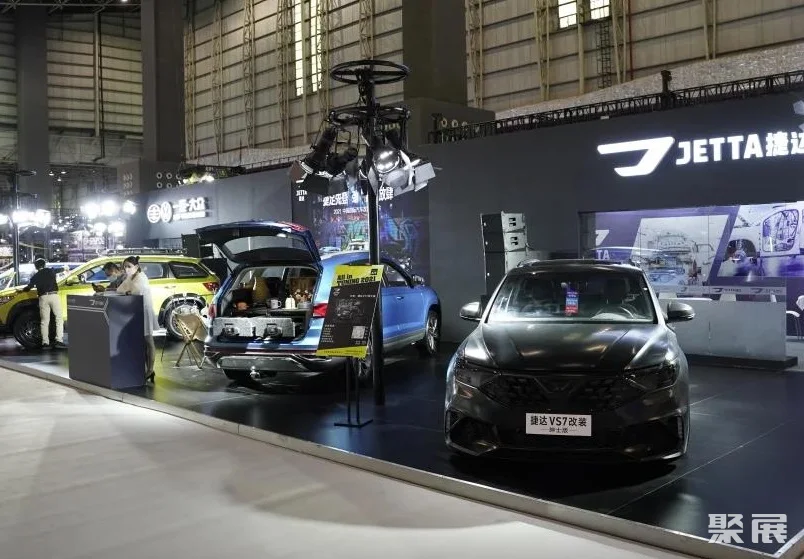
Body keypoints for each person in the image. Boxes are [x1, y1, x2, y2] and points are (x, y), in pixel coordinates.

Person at [115, 256, 158, 383]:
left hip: (144, 311)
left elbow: (137, 292)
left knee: (149, 340)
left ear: (137, 267)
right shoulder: (130, 278)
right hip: (136, 312)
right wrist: (127, 291)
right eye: (125, 267)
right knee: (142, 341)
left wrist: (128, 291)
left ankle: (150, 370)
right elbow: (120, 289)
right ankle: (145, 369)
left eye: (129, 266)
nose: (126, 269)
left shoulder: (141, 277)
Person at [22, 258, 66, 349]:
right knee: (58, 319)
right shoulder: (50, 271)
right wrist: (65, 268)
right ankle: (59, 341)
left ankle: (45, 343)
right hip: (53, 296)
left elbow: (28, 287)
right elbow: (61, 269)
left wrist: (21, 290)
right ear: (44, 265)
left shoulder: (35, 276)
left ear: (36, 267)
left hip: (43, 298)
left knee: (44, 321)